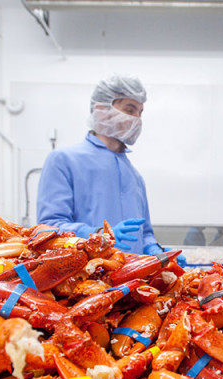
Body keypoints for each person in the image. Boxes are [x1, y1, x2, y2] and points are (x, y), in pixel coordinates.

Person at [37, 74, 185, 265]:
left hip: (130, 280)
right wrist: (98, 234)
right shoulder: (64, 160)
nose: (136, 119)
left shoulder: (135, 176)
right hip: (85, 280)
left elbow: (145, 232)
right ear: (101, 110)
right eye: (130, 110)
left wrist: (156, 251)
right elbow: (49, 228)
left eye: (140, 113)